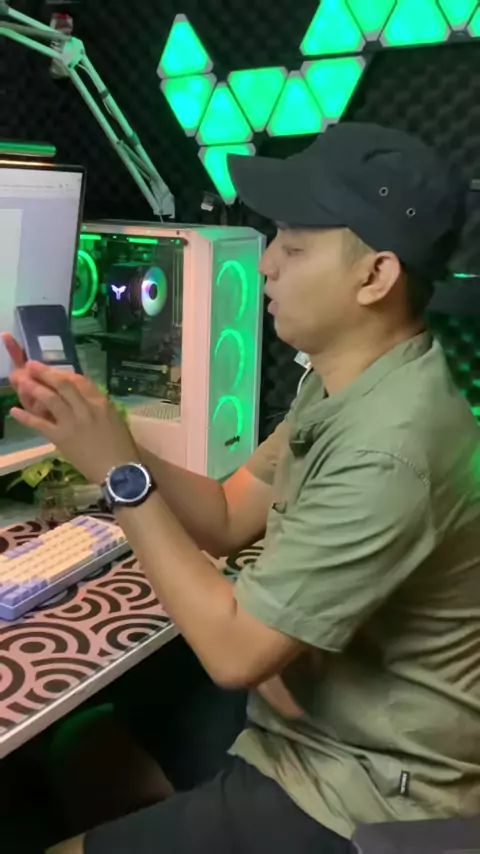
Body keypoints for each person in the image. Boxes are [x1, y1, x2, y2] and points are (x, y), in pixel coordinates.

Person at [4, 122, 480, 854]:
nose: (265, 264)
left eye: (295, 246)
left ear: (375, 276)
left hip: (364, 789)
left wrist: (120, 478)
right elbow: (228, 515)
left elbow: (232, 651)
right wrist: (108, 435)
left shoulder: (392, 447)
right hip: (301, 719)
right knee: (84, 746)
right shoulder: (353, 377)